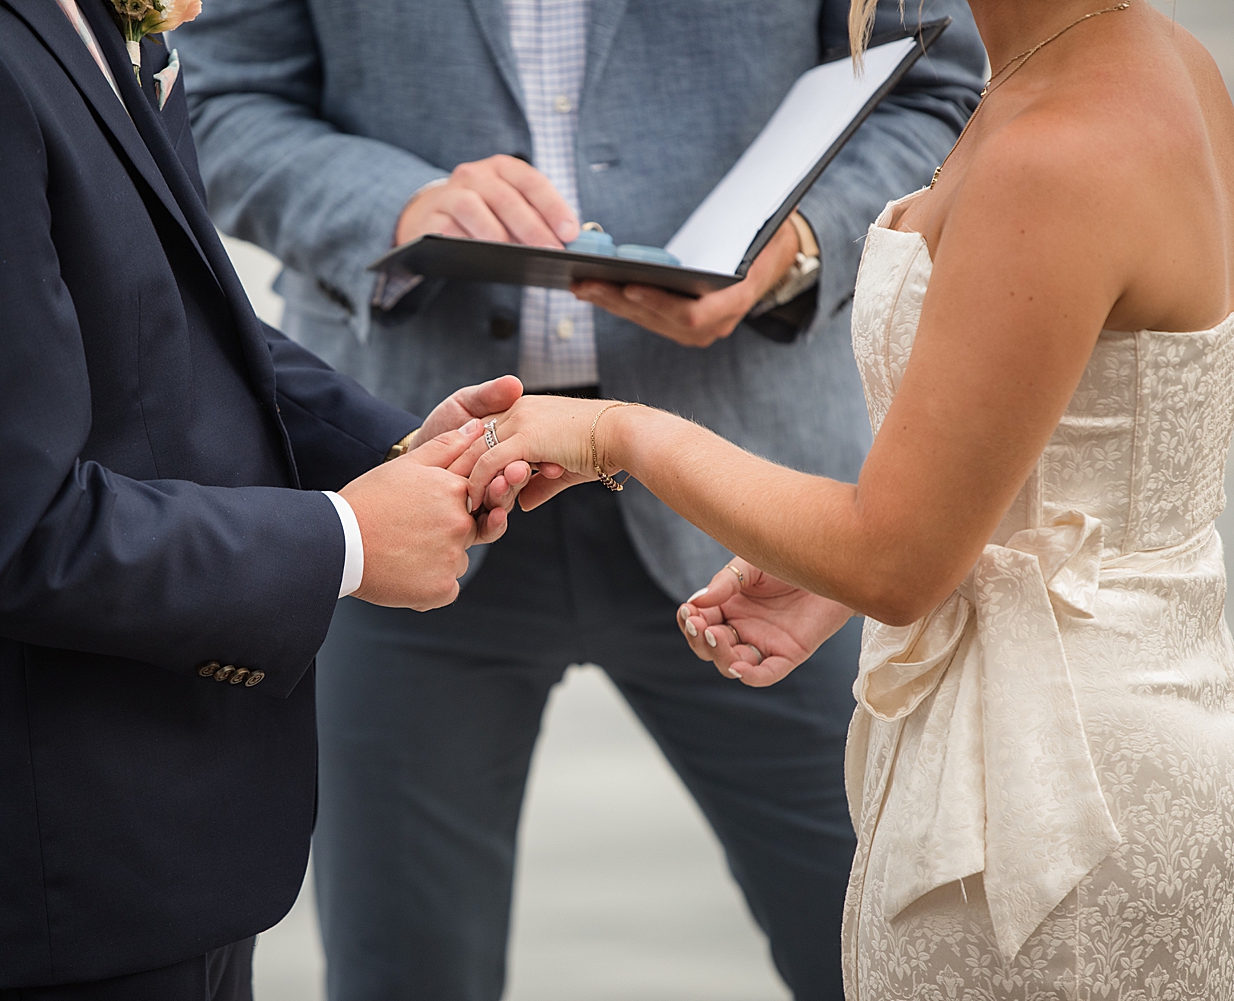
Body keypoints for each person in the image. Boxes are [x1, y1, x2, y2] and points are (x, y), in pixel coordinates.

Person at [175, 3, 984, 997]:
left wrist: (800, 250)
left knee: (884, 955)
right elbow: (214, 98)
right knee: (403, 969)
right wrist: (397, 205)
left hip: (765, 506)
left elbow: (938, 85)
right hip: (414, 485)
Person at [0, 0, 536, 995]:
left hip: (146, 835)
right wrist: (349, 540)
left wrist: (404, 449)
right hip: (36, 870)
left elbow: (164, 315)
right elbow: (13, 533)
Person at [464, 0, 1234, 994]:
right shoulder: (1155, 63)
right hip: (1115, 720)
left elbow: (893, 561)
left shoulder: (1057, 145)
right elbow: (1089, 446)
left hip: (1051, 798)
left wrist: (621, 430)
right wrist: (844, 558)